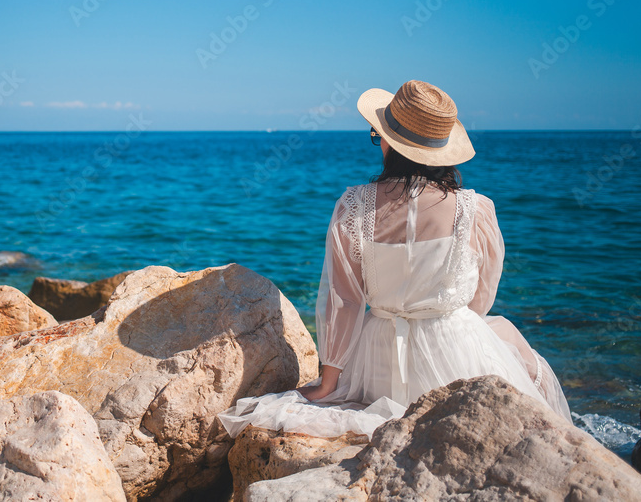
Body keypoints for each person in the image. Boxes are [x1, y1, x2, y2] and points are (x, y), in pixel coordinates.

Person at [218, 80, 572, 439]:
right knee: (512, 350)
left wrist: (328, 384)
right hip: (458, 350)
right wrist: (455, 323)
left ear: (391, 143)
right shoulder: (476, 210)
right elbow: (482, 294)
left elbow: (343, 301)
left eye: (378, 134)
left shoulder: (353, 207)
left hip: (379, 358)